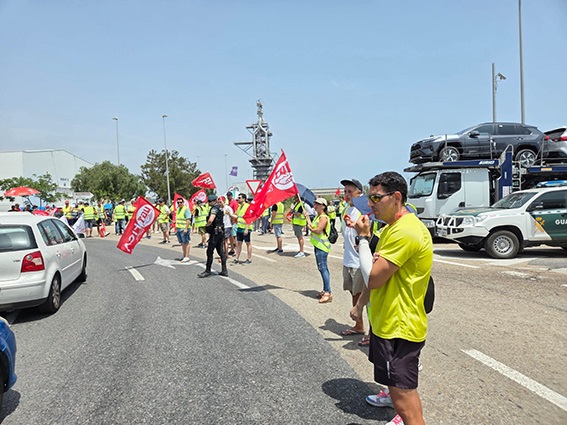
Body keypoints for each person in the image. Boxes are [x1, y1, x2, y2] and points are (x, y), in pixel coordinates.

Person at [350, 171, 433, 425]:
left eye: (376, 198)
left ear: (396, 197)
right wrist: (360, 305)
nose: (370, 204)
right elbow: (374, 275)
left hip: (399, 326)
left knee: (404, 399)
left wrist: (364, 240)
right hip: (388, 321)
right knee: (398, 393)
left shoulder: (405, 231)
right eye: (370, 198)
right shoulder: (390, 229)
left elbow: (373, 277)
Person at [339, 178, 367, 338]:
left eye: (350, 191)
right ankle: (359, 325)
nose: (347, 194)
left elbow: (367, 233)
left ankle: (372, 333)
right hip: (348, 259)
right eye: (345, 191)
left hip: (359, 261)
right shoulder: (347, 210)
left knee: (365, 296)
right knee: (354, 294)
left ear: (359, 193)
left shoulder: (363, 211)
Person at [308, 198, 332, 303]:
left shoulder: (323, 217)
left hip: (322, 246)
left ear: (323, 206)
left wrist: (311, 229)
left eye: (318, 204)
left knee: (323, 268)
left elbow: (317, 230)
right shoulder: (318, 216)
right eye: (315, 203)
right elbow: (313, 226)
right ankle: (326, 289)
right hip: (318, 245)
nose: (316, 205)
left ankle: (327, 292)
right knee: (321, 268)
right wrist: (307, 218)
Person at [198, 195, 228, 277]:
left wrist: (207, 226)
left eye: (210, 201)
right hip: (220, 232)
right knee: (220, 251)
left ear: (213, 201)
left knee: (209, 251)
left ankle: (207, 271)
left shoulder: (214, 209)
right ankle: (224, 270)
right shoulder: (220, 208)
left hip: (215, 233)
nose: (209, 203)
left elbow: (211, 220)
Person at [231, 193, 252, 264]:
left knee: (248, 243)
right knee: (239, 243)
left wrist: (246, 228)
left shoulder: (247, 206)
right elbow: (237, 216)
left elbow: (249, 218)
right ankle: (236, 258)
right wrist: (229, 214)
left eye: (239, 198)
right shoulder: (240, 207)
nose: (238, 199)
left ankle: (249, 259)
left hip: (245, 228)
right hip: (239, 227)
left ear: (244, 199)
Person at [174, 197, 192, 262]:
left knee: (186, 242)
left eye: (180, 202)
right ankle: (184, 255)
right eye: (178, 202)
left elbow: (188, 219)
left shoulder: (186, 209)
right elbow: (180, 218)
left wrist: (186, 228)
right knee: (182, 243)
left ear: (183, 202)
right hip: (178, 228)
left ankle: (187, 256)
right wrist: (175, 222)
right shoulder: (178, 209)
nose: (179, 203)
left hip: (184, 228)